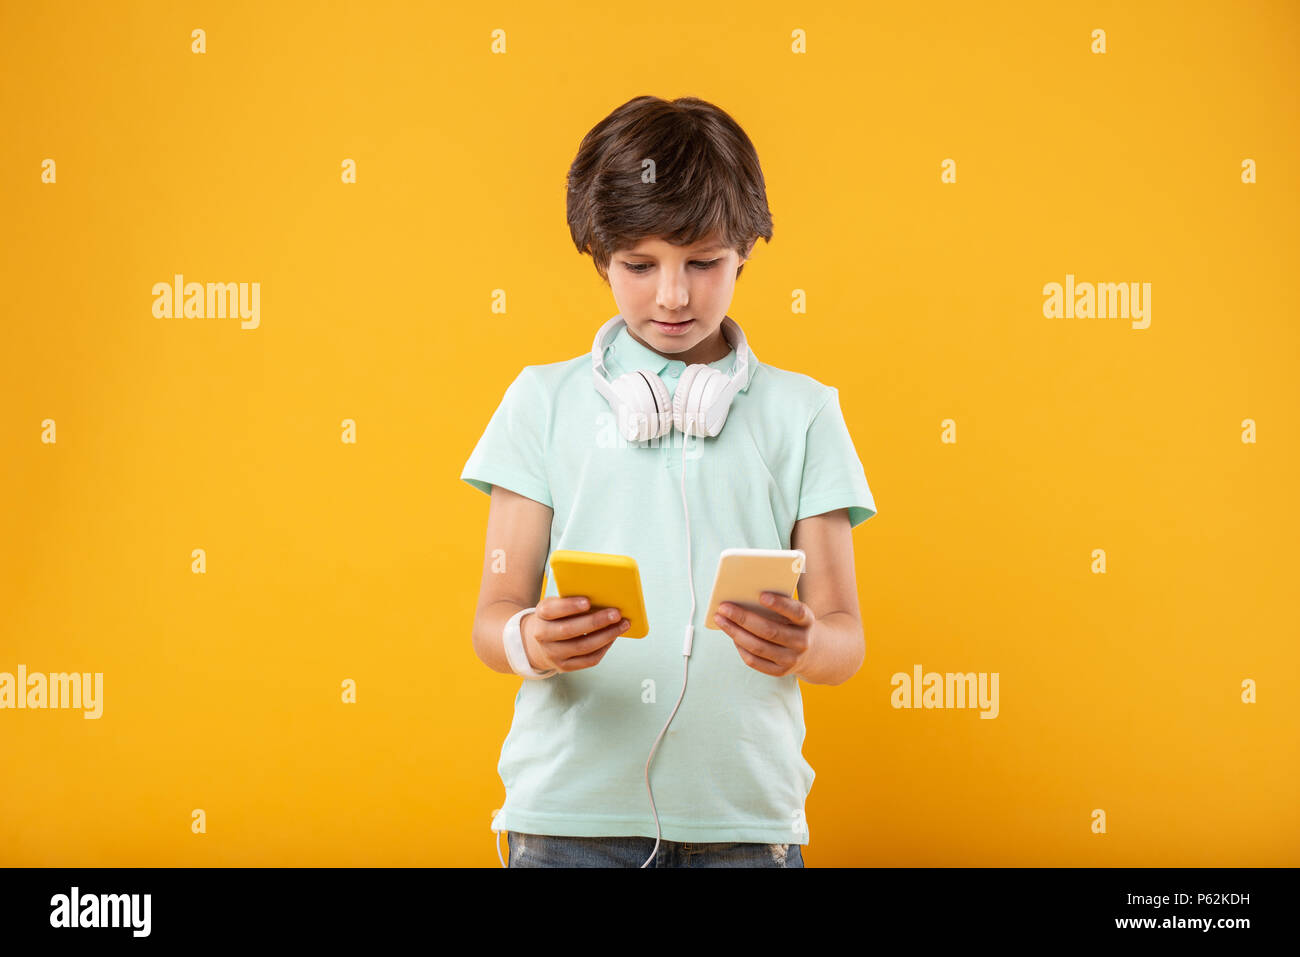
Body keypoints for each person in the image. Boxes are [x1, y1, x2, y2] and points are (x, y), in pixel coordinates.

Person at [461, 95, 877, 868]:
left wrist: (807, 643)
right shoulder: (539, 402)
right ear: (598, 256)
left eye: (704, 263)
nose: (673, 296)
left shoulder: (805, 413)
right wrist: (534, 641)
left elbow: (845, 637)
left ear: (747, 250)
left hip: (747, 825)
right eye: (640, 265)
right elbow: (493, 615)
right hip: (568, 822)